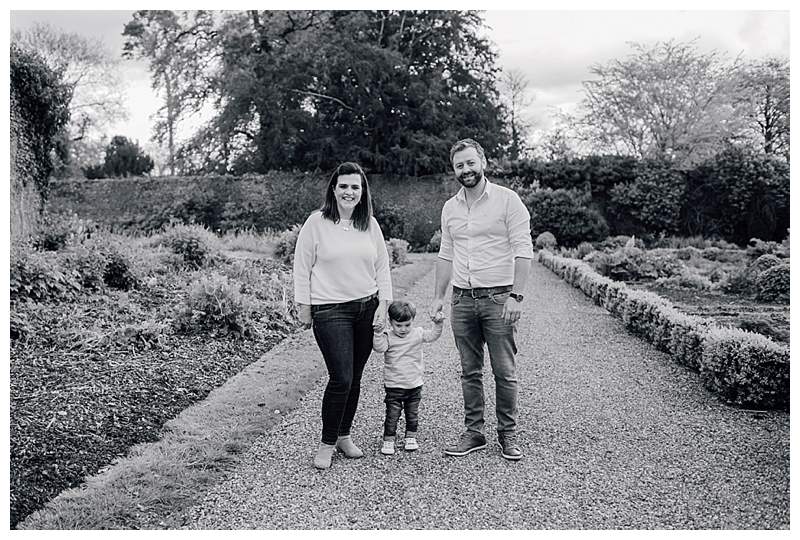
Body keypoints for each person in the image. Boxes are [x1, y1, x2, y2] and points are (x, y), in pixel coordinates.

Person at [429, 138, 533, 461]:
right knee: (469, 370)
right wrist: (438, 297)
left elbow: (523, 250)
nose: (466, 170)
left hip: (498, 299)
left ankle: (508, 433)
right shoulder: (450, 208)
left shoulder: (507, 201)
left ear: (483, 162)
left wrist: (516, 296)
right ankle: (474, 432)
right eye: (460, 165)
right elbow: (446, 254)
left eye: (470, 163)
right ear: (454, 170)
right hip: (462, 300)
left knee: (504, 370)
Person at [294, 161, 393, 469]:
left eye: (355, 186)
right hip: (330, 310)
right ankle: (326, 443)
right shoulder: (317, 222)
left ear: (362, 192)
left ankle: (343, 435)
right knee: (341, 378)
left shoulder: (370, 225)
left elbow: (382, 267)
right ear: (333, 189)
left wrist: (384, 305)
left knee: (356, 378)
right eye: (344, 186)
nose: (349, 191)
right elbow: (301, 266)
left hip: (366, 307)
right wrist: (304, 306)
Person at [372, 300, 444, 455]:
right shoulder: (388, 337)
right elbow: (379, 348)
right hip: (394, 385)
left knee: (412, 414)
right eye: (398, 325)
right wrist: (378, 333)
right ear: (390, 322)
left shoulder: (417, 333)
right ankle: (389, 439)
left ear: (412, 321)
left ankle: (411, 437)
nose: (403, 329)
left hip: (414, 384)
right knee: (392, 414)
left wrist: (438, 324)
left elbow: (432, 336)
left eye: (407, 325)